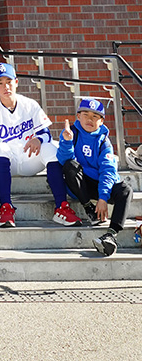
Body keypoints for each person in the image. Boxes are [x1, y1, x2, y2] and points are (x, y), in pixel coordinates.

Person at [0, 62, 79, 229]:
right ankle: (6, 207)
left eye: (9, 82)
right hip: (6, 161)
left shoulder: (29, 104)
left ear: (16, 82)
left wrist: (39, 139)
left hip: (28, 158)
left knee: (51, 148)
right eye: (0, 83)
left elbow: (46, 133)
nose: (6, 87)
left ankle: (61, 207)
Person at [57, 98, 133, 257]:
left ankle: (111, 234)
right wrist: (67, 142)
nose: (90, 119)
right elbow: (64, 160)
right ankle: (88, 208)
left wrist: (103, 197)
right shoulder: (71, 133)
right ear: (78, 116)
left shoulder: (104, 141)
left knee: (126, 190)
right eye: (85, 115)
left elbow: (108, 170)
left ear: (101, 121)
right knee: (70, 166)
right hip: (82, 184)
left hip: (101, 183)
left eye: (95, 116)